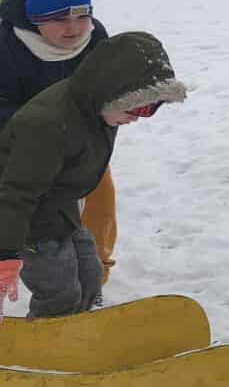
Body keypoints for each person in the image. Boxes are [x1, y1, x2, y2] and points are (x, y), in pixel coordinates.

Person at [0, 31, 187, 318]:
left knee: (90, 275)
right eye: (137, 106)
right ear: (109, 91)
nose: (138, 117)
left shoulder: (99, 109)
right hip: (26, 221)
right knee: (60, 292)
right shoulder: (47, 124)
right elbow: (16, 193)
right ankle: (49, 337)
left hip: (59, 208)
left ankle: (81, 327)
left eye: (152, 108)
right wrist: (6, 254)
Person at [0, 0, 117, 283]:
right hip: (25, 149)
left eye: (82, 16)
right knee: (32, 211)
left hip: (83, 141)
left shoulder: (95, 36)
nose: (74, 28)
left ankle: (97, 271)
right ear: (35, 17)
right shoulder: (7, 45)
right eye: (59, 19)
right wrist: (41, 133)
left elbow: (109, 83)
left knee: (100, 196)